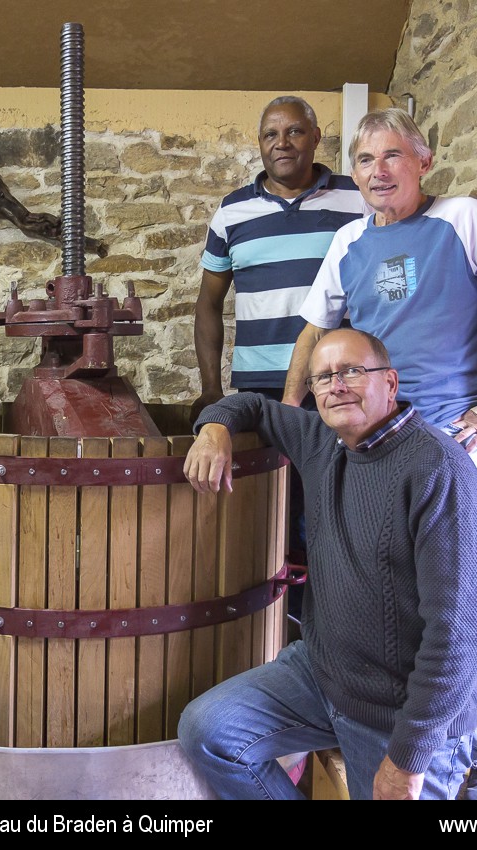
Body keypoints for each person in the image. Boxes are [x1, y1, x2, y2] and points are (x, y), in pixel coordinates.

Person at [282, 107, 477, 800]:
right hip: (366, 441)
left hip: (441, 439)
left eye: (392, 157)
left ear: (423, 162)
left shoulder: (463, 220)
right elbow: (314, 333)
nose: (377, 172)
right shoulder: (349, 238)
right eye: (365, 160)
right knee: (384, 589)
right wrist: (296, 418)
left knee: (465, 601)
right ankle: (403, 731)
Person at [178, 328, 477, 800]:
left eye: (352, 371)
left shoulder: (438, 471)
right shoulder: (323, 440)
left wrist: (408, 760)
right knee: (209, 731)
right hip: (322, 678)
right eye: (322, 377)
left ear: (391, 383)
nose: (336, 385)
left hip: (396, 714)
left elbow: (459, 638)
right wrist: (214, 428)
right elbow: (253, 406)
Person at [193, 96, 368, 614]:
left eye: (294, 132)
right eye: (271, 134)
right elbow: (207, 307)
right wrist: (211, 388)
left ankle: (331, 620)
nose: (282, 143)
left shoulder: (356, 200)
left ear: (317, 139)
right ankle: (279, 625)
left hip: (336, 387)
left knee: (331, 512)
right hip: (259, 394)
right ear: (260, 143)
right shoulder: (233, 212)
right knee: (267, 513)